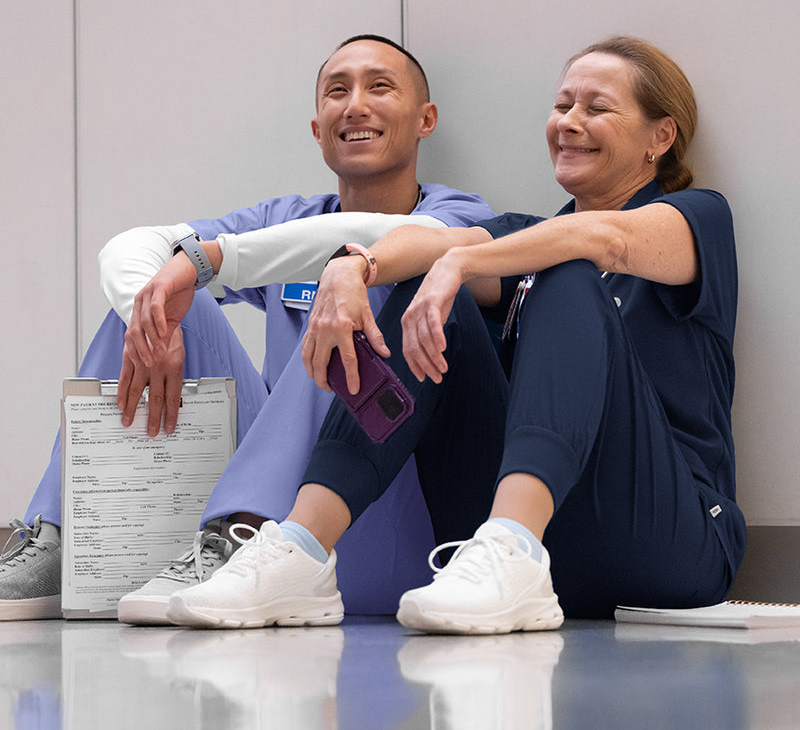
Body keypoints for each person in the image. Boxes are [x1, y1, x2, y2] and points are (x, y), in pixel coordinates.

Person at [161, 35, 746, 632]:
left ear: (660, 137)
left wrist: (465, 261)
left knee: (558, 267)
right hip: (544, 555)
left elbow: (607, 241)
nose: (569, 123)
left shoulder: (699, 220)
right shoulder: (531, 234)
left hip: (672, 539)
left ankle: (514, 545)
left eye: (596, 108)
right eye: (562, 105)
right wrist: (354, 266)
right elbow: (434, 240)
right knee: (432, 285)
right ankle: (302, 552)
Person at [0, 34, 496, 623]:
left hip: (380, 510)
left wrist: (221, 258)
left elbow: (384, 239)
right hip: (271, 519)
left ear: (425, 119)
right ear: (318, 130)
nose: (355, 104)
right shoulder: (286, 220)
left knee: (363, 291)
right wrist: (152, 322)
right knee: (156, 297)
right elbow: (132, 247)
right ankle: (63, 537)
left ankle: (243, 525)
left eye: (379, 86)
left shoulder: (461, 216)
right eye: (337, 91)